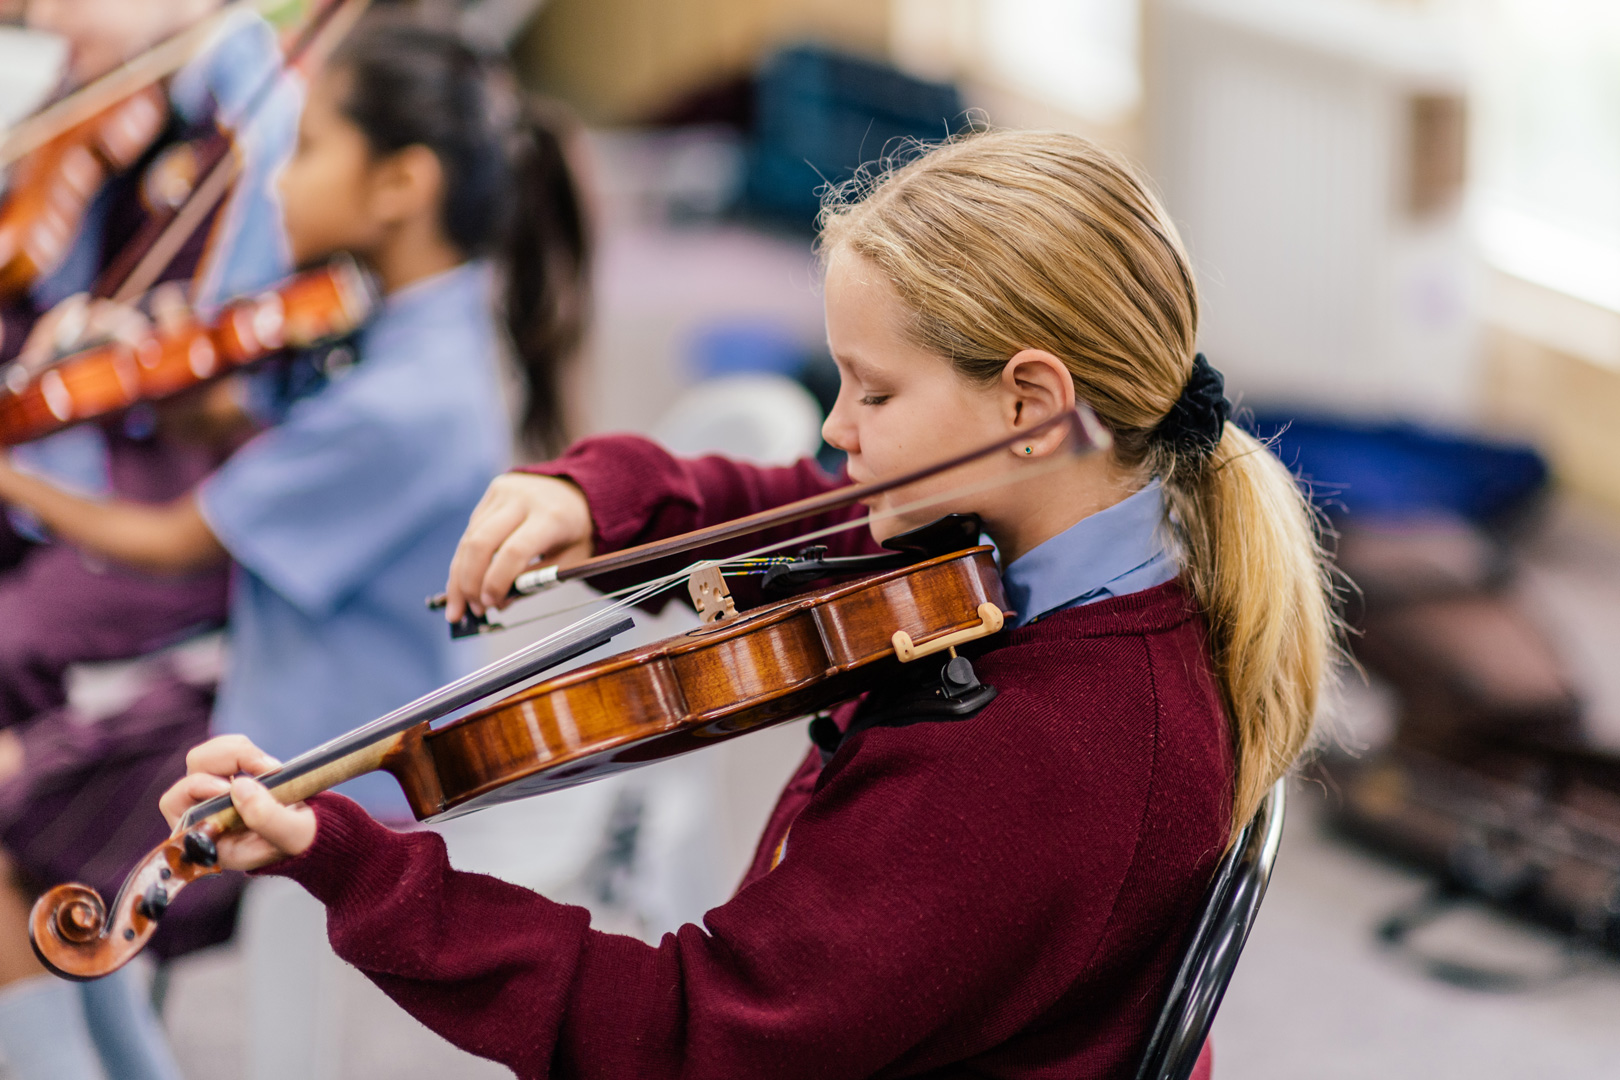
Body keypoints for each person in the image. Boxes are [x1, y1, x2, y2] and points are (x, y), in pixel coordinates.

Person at [165, 130, 1335, 1078]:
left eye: (873, 391)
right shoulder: (1039, 543)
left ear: (1030, 403)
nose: (836, 426)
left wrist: (360, 869)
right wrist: (602, 495)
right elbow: (802, 516)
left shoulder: (1044, 755)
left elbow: (685, 1038)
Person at [0, 21, 587, 1079]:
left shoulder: (410, 399)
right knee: (25, 820)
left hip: (315, 761)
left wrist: (13, 474)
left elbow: (179, 539)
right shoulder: (392, 331)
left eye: (308, 148)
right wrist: (176, 385)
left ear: (402, 184)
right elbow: (252, 443)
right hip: (267, 705)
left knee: (18, 891)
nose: (275, 180)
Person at [0, 0, 296, 1076]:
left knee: (16, 640)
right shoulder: (102, 107)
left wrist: (121, 363)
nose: (35, 18)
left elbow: (228, 378)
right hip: (87, 466)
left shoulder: (252, 115)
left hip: (185, 506)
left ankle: (41, 874)